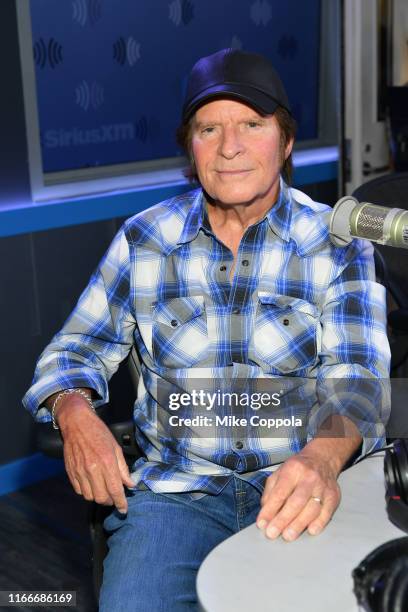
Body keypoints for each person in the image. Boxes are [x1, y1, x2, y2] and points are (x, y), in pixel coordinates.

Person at [23, 48, 391, 610]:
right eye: (208, 128)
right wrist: (74, 413)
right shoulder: (145, 238)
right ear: (190, 149)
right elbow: (72, 350)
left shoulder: (338, 242)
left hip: (297, 482)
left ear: (285, 142)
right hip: (177, 497)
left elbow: (359, 377)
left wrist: (321, 457)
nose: (230, 146)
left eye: (251, 124)